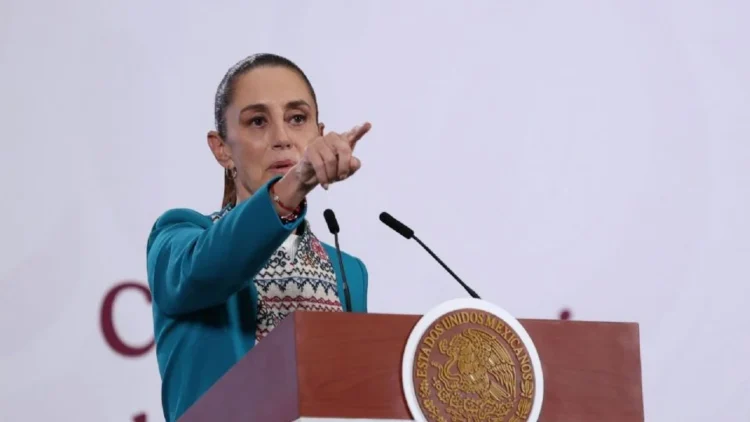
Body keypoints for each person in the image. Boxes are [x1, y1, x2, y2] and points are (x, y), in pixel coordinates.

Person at [145, 53, 371, 422]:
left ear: (318, 133)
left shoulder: (349, 271)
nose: (282, 138)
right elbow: (211, 267)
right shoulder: (178, 239)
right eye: (257, 121)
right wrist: (294, 183)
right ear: (221, 148)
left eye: (297, 118)